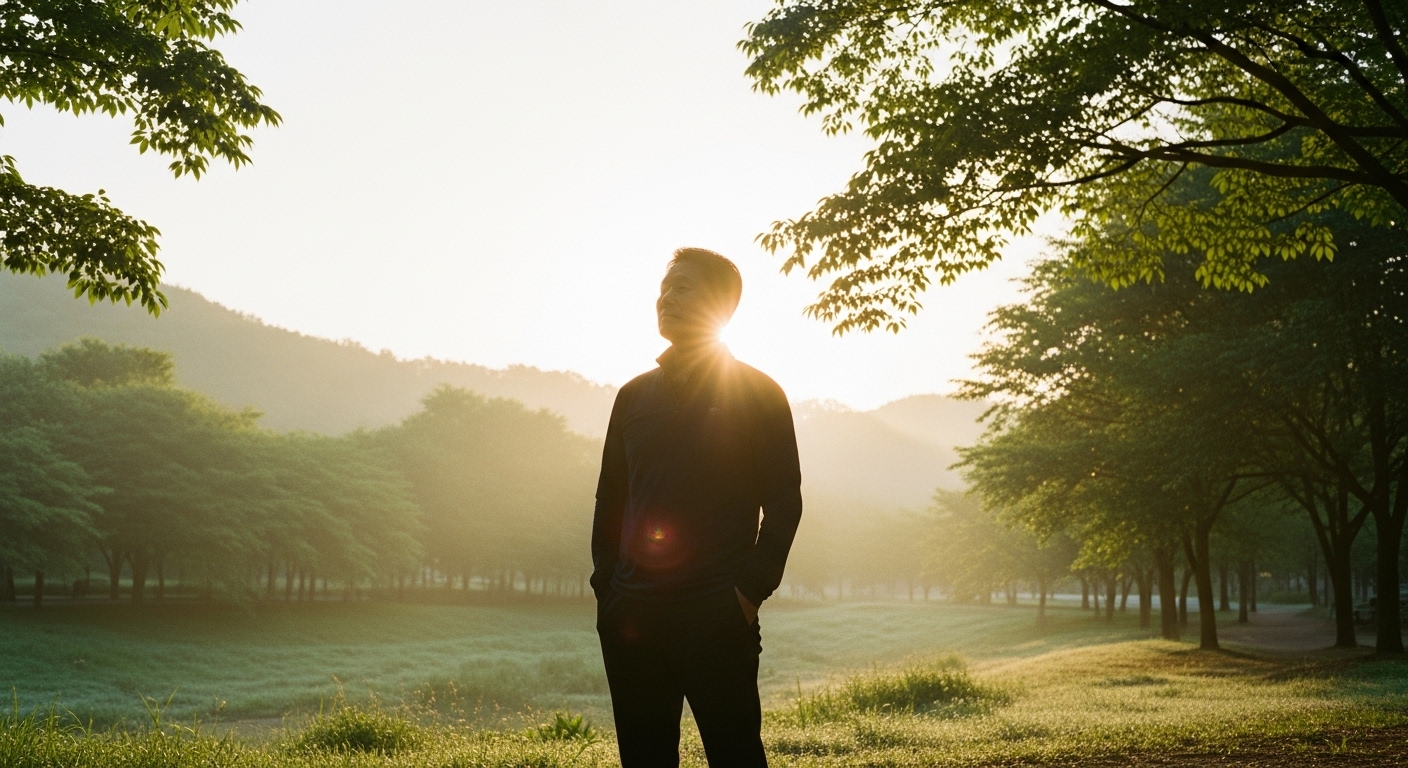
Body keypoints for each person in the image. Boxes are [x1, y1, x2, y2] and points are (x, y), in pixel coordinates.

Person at [591, 247, 803, 767]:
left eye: (683, 287)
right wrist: (607, 591)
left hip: (717, 615)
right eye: (663, 290)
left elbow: (784, 503)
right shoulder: (633, 396)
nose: (666, 299)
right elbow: (610, 499)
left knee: (735, 757)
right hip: (633, 617)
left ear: (721, 306)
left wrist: (747, 595)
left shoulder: (759, 393)